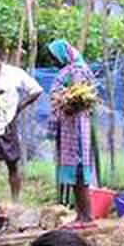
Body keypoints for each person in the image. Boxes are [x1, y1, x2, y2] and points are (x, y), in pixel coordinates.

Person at [0, 43, 43, 205]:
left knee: (12, 163)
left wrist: (20, 107)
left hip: (7, 122)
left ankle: (15, 201)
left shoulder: (15, 73)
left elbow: (36, 90)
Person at [47, 39, 96, 228]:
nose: (53, 61)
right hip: (69, 126)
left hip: (74, 126)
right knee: (74, 171)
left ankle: (87, 217)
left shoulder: (76, 69)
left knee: (77, 170)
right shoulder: (71, 68)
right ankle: (81, 215)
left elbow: (78, 97)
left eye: (54, 57)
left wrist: (64, 103)